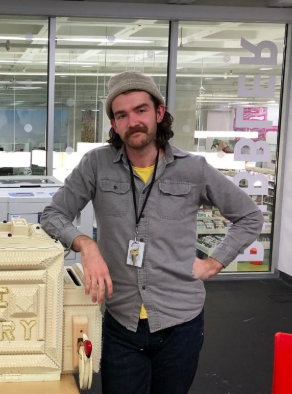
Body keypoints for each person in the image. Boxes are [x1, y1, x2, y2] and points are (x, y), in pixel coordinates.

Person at [40, 71, 263, 394]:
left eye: (141, 110)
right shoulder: (96, 165)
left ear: (159, 113)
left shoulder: (193, 168)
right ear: (114, 125)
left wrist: (214, 262)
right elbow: (53, 214)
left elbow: (248, 216)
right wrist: (86, 245)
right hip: (121, 321)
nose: (133, 121)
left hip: (181, 323)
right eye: (122, 115)